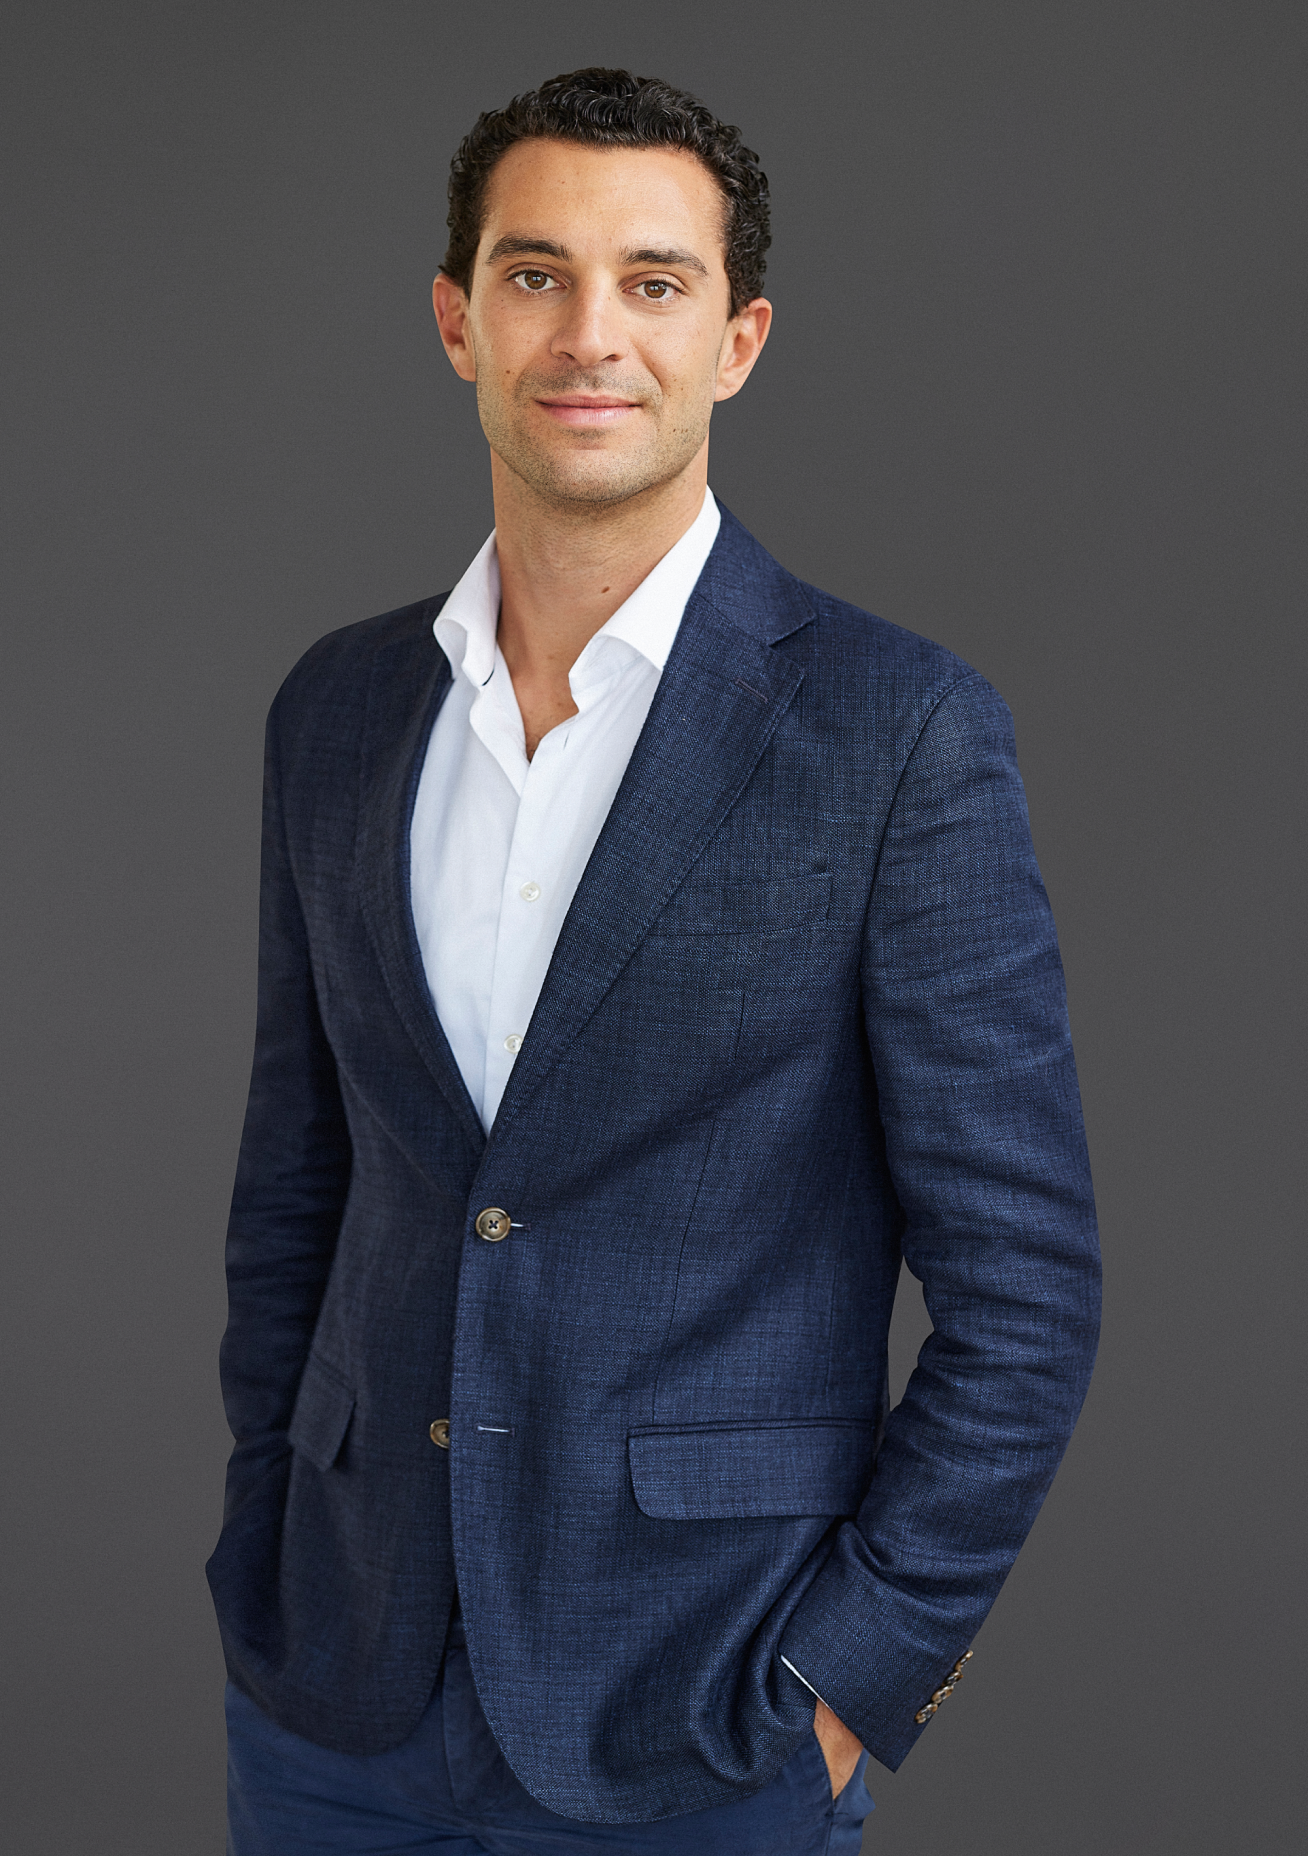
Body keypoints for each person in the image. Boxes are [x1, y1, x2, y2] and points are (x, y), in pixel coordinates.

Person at [208, 67, 1101, 1854]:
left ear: (739, 339)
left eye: (654, 282)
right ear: (458, 321)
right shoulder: (339, 709)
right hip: (336, 1697)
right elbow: (299, 1189)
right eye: (535, 275)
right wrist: (264, 1539)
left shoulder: (893, 732)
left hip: (701, 1715)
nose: (588, 333)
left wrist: (853, 1687)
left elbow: (1026, 1294)